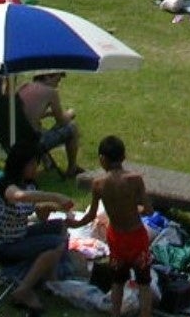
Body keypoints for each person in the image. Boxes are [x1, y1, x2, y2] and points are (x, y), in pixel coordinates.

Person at [0, 142, 75, 315]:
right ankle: (24, 289)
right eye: (32, 163)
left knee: (60, 228)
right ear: (20, 164)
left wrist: (47, 208)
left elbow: (37, 215)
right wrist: (55, 197)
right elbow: (18, 197)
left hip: (20, 234)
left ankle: (47, 277)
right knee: (56, 244)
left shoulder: (30, 185)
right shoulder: (5, 184)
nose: (35, 167)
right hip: (5, 244)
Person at [76, 136, 153, 317]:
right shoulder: (135, 180)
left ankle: (115, 314)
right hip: (136, 237)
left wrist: (73, 223)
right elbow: (148, 210)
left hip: (116, 238)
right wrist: (134, 211)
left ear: (102, 159)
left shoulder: (98, 184)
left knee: (117, 281)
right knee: (144, 282)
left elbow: (90, 215)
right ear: (124, 156)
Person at [18, 72, 82, 176]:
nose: (57, 84)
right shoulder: (51, 92)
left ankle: (47, 163)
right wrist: (70, 113)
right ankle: (72, 168)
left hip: (14, 138)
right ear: (47, 77)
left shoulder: (24, 86)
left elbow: (27, 114)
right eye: (57, 80)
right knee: (72, 127)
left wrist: (47, 114)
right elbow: (62, 121)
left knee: (38, 127)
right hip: (32, 143)